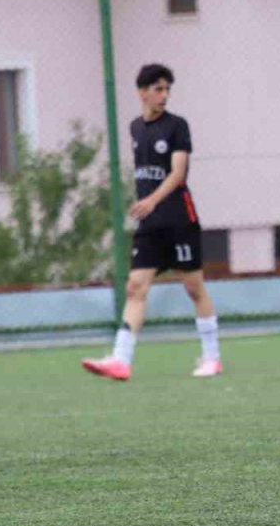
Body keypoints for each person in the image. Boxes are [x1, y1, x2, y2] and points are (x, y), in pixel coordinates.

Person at [83, 64, 222, 381]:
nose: (164, 95)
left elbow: (178, 174)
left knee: (192, 287)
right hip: (150, 226)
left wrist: (151, 201)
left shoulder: (177, 126)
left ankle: (212, 357)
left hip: (178, 220)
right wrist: (147, 206)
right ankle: (121, 360)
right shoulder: (135, 128)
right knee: (135, 287)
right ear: (142, 92)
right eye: (158, 89)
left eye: (167, 89)